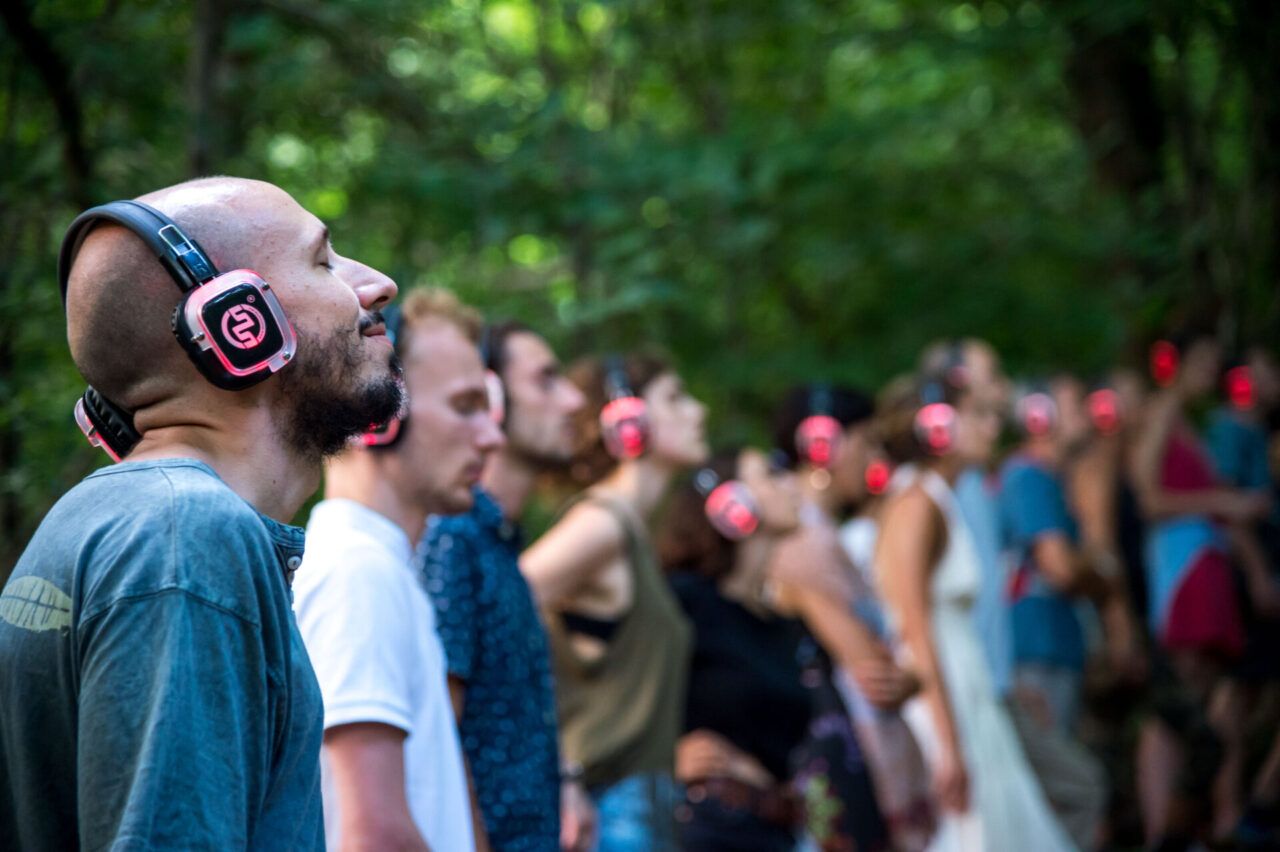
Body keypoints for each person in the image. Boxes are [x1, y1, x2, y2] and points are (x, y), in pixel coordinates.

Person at [0, 177, 401, 850]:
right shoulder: (188, 538)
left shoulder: (100, 519)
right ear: (238, 320)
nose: (379, 284)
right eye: (323, 261)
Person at [292, 288, 504, 852]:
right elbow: (374, 836)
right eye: (465, 406)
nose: (492, 437)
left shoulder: (379, 568)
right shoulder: (357, 574)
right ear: (378, 415)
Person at [874, 370, 1075, 852]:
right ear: (936, 427)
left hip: (967, 688)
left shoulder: (939, 500)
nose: (993, 427)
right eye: (978, 415)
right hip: (946, 698)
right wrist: (948, 745)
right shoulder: (917, 505)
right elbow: (914, 628)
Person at [420, 320, 598, 852]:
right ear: (490, 397)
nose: (573, 401)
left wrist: (564, 778)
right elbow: (440, 732)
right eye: (546, 380)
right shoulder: (455, 538)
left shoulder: (498, 541)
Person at [520, 352, 703, 852]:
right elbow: (497, 607)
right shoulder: (602, 525)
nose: (698, 411)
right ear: (626, 420)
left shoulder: (630, 530)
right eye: (675, 398)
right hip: (609, 807)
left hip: (641, 801)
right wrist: (558, 768)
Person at [771, 384, 932, 851]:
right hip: (845, 754)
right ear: (822, 445)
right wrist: (911, 677)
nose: (876, 459)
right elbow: (874, 675)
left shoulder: (817, 532)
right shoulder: (805, 541)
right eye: (868, 443)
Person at [658, 447, 810, 852]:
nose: (792, 483)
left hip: (774, 834)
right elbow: (619, 686)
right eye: (771, 473)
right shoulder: (685, 599)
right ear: (730, 501)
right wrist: (665, 756)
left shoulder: (783, 625)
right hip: (708, 829)